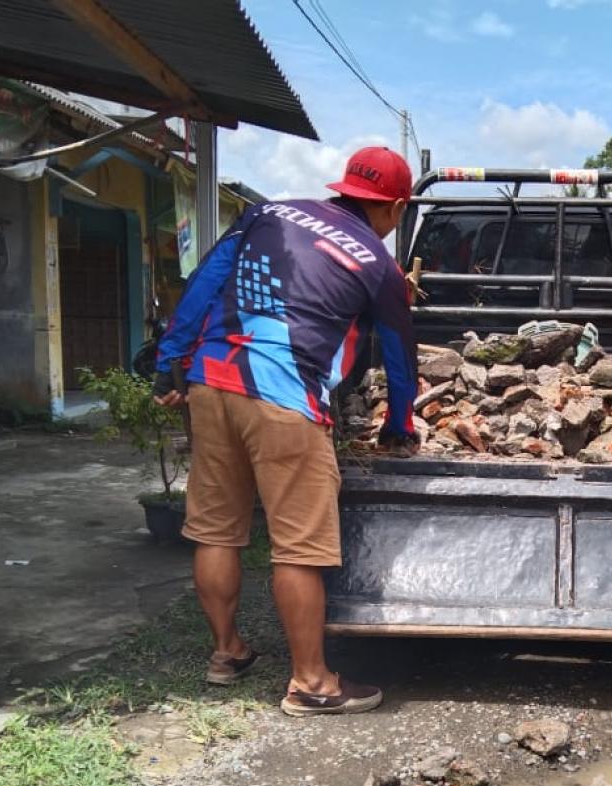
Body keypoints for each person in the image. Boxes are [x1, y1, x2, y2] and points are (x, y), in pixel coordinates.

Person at [153, 147, 419, 717]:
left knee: (215, 530)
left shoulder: (268, 212)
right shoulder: (379, 264)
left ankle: (226, 653)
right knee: (299, 545)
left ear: (343, 186)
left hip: (211, 382)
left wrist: (168, 362)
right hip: (284, 396)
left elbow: (205, 281)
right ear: (395, 207)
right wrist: (399, 425)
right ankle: (312, 683)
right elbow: (399, 358)